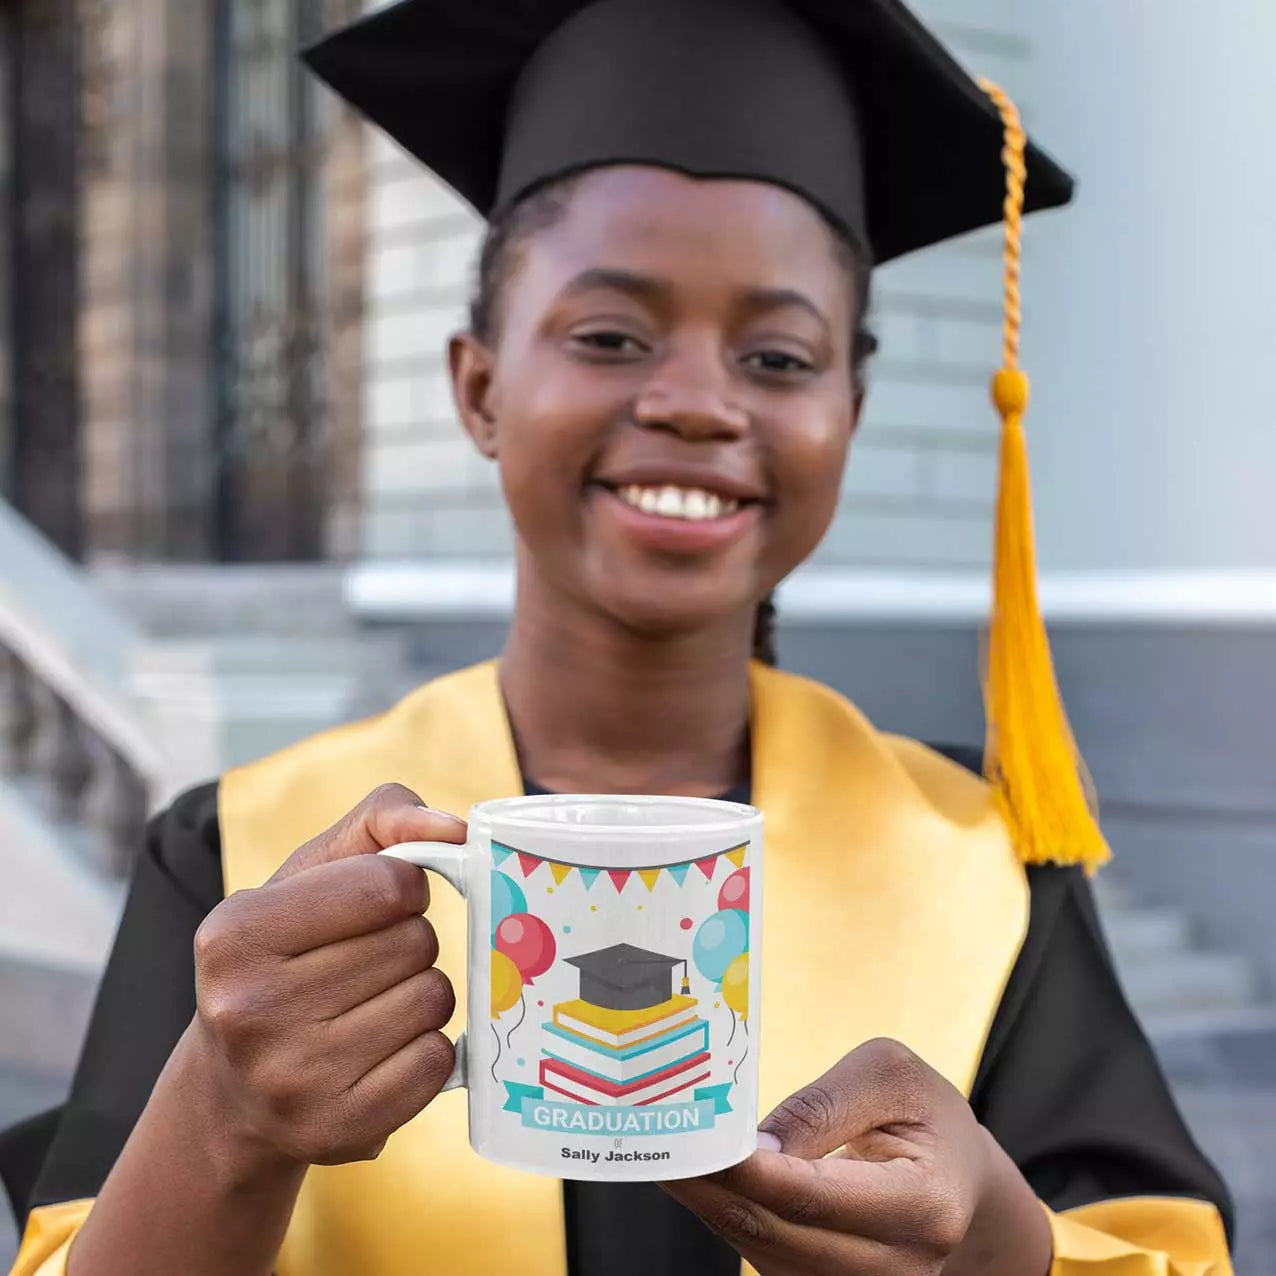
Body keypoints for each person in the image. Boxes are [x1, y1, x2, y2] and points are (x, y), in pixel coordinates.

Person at [3, 0, 1233, 1273]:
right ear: (479, 388)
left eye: (776, 355)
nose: (697, 402)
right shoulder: (252, 860)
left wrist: (1002, 1251)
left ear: (849, 413)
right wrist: (221, 1119)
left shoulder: (983, 866)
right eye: (608, 336)